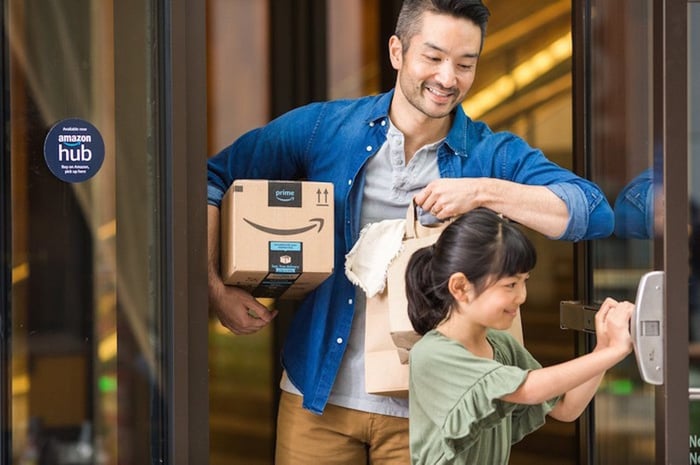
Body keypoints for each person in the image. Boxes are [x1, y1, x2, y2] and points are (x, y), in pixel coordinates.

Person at [206, 0, 615, 463]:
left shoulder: (489, 154)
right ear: (397, 51)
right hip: (315, 398)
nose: (448, 78)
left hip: (427, 411)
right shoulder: (328, 129)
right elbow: (213, 177)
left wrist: (482, 191)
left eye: (465, 64)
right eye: (434, 57)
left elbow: (593, 212)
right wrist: (214, 289)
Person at [405, 208, 633, 465]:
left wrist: (603, 348)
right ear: (460, 287)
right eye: (510, 284)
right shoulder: (432, 355)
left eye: (525, 281)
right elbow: (529, 389)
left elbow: (566, 408)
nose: (522, 296)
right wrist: (613, 352)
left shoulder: (501, 346)